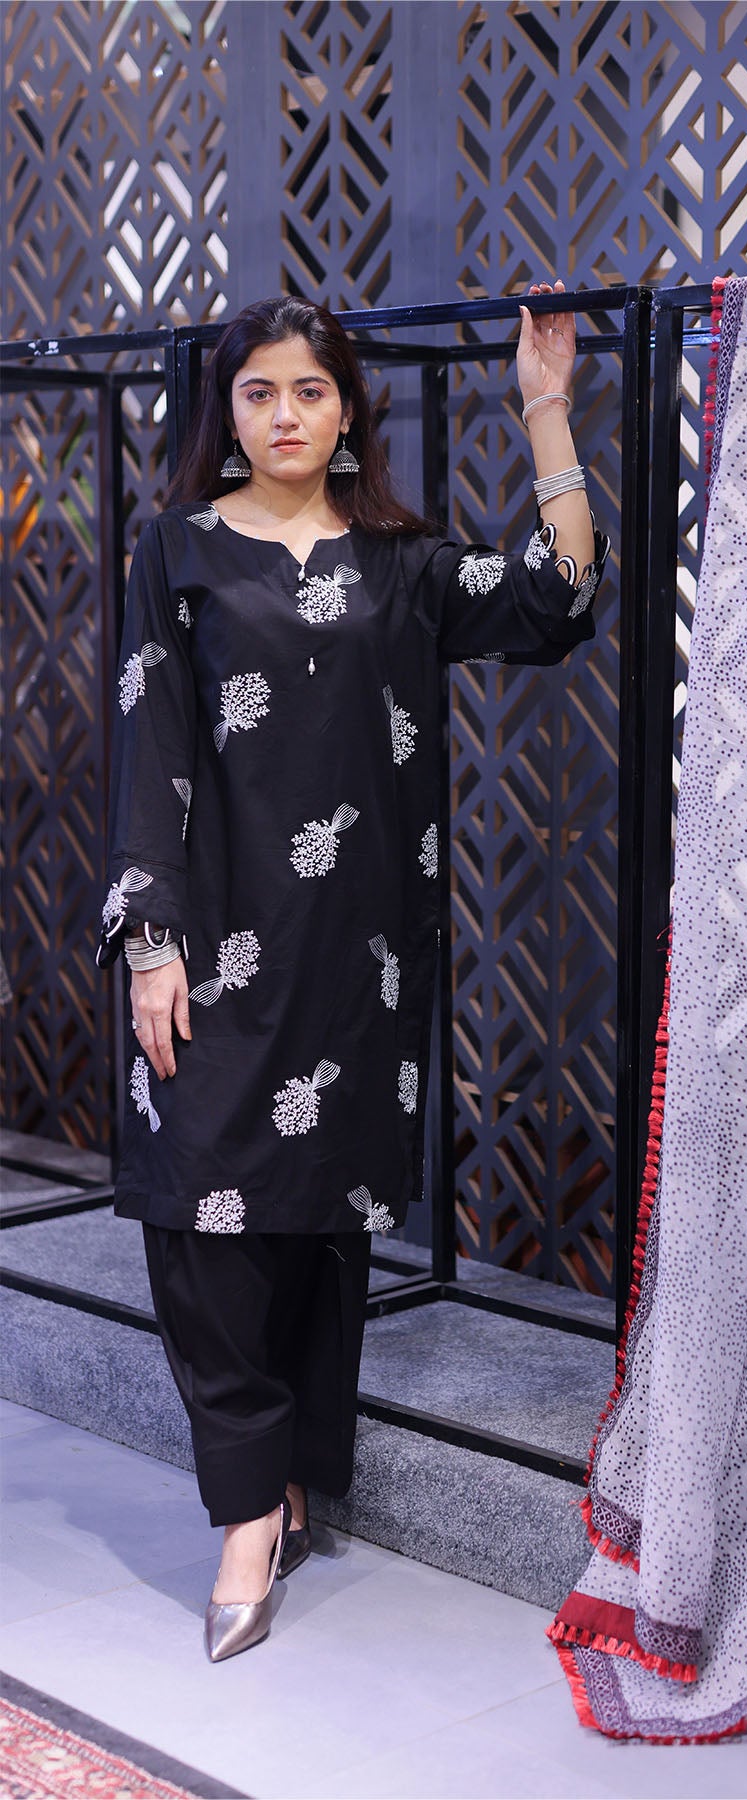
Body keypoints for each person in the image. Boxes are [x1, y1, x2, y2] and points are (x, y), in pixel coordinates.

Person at [97, 283, 607, 1662]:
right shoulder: (180, 550)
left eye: (308, 391)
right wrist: (151, 942)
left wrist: (545, 408)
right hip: (211, 945)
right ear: (229, 412)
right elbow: (153, 745)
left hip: (357, 958)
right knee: (201, 1226)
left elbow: (560, 598)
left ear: (346, 415)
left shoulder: (400, 562)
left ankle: (295, 1480)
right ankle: (245, 1509)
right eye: (258, 392)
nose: (284, 415)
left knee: (322, 1225)